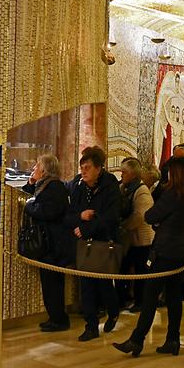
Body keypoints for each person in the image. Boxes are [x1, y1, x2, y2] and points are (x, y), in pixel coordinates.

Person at [113, 157, 184, 357]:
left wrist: (159, 223)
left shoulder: (172, 194)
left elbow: (150, 216)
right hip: (181, 249)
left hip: (165, 250)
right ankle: (173, 339)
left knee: (150, 296)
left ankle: (137, 340)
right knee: (173, 296)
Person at [64, 146, 122, 341]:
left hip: (103, 241)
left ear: (99, 168)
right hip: (83, 243)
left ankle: (113, 311)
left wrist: (88, 227)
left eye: (88, 167)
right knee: (86, 284)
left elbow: (112, 216)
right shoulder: (78, 185)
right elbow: (69, 215)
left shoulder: (110, 184)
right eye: (82, 168)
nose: (84, 171)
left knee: (104, 283)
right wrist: (80, 217)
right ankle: (91, 326)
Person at [22, 154, 71, 331]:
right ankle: (55, 317)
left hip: (53, 244)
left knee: (53, 284)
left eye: (37, 166)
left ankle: (59, 319)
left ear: (44, 169)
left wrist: (29, 206)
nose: (34, 168)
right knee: (50, 283)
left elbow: (49, 211)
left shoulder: (55, 187)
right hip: (50, 242)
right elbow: (29, 195)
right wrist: (30, 184)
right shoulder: (44, 186)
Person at [117, 158, 154, 312]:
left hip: (142, 239)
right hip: (129, 239)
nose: (121, 174)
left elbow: (140, 216)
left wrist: (123, 226)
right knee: (123, 269)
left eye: (124, 172)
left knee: (140, 272)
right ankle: (123, 298)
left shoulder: (141, 190)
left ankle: (140, 301)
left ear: (132, 174)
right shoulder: (123, 188)